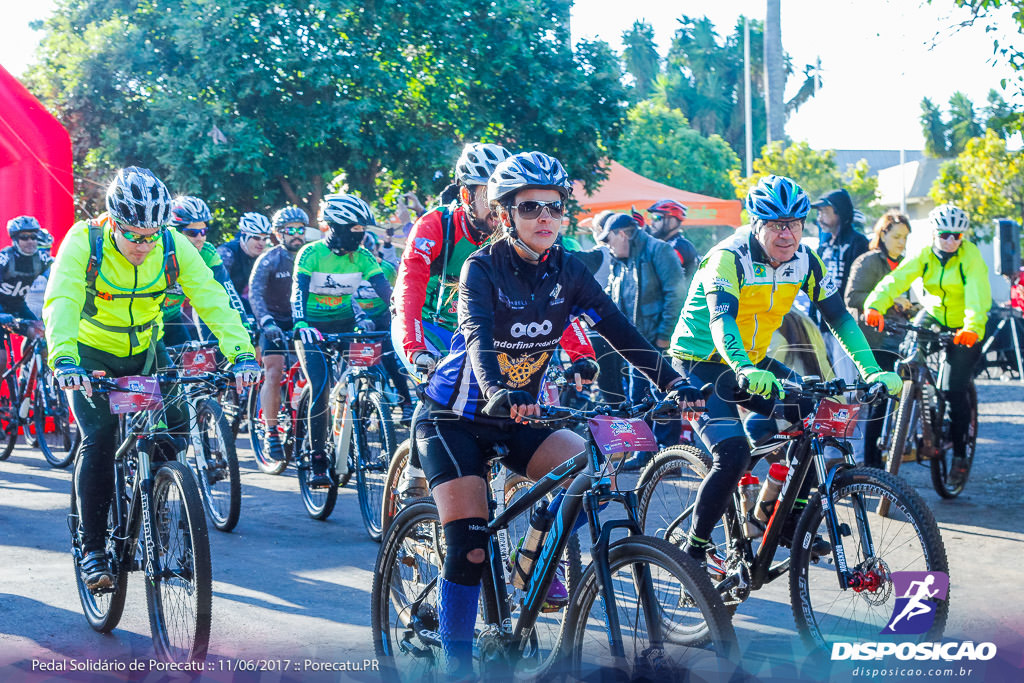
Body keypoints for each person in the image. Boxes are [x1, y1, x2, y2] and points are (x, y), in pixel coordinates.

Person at [419, 151, 705, 677]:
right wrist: (497, 389)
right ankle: (454, 665)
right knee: (470, 547)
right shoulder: (480, 266)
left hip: (521, 415)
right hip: (454, 417)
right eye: (529, 208)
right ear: (505, 214)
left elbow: (621, 331)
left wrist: (675, 382)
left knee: (588, 470)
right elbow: (480, 336)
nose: (544, 217)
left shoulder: (569, 269)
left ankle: (531, 566)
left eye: (554, 207)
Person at [668, 174, 902, 572]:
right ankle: (692, 553)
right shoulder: (729, 258)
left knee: (818, 416)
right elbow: (722, 321)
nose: (787, 234)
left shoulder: (806, 260)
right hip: (701, 360)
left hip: (752, 359)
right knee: (733, 453)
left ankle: (787, 517)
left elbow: (839, 318)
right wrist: (742, 367)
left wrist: (871, 370)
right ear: (756, 223)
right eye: (776, 224)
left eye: (795, 223)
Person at [43, 166, 260, 590]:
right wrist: (65, 360)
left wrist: (241, 353)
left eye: (151, 235)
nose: (144, 245)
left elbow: (212, 297)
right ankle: (93, 550)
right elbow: (62, 299)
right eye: (134, 235)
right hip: (88, 354)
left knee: (174, 428)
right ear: (112, 222)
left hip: (146, 350)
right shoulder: (83, 242)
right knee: (100, 439)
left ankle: (159, 494)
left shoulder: (172, 245)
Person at [391, 142, 597, 497]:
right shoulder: (437, 224)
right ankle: (416, 478)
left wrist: (580, 352)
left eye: (507, 194)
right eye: (488, 194)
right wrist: (414, 348)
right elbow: (409, 285)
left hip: (491, 330)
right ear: (466, 195)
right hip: (431, 324)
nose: (497, 204)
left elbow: (552, 300)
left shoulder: (522, 236)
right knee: (439, 384)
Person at [864, 203, 991, 486]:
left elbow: (977, 296)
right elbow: (895, 280)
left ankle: (959, 452)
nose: (950, 241)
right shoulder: (924, 254)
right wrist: (874, 305)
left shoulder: (971, 257)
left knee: (952, 388)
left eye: (957, 236)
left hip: (964, 325)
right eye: (945, 234)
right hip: (933, 315)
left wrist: (971, 328)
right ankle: (915, 398)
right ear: (934, 233)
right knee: (909, 359)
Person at [291, 194, 393, 488]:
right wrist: (300, 323)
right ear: (335, 227)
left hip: (346, 322)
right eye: (354, 229)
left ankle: (357, 422)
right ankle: (318, 457)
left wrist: (401, 316)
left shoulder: (363, 257)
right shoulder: (310, 254)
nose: (360, 235)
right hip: (312, 327)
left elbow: (385, 291)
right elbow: (298, 293)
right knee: (321, 386)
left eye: (363, 230)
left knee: (369, 373)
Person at [593, 211, 685, 459]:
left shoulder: (659, 250)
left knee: (664, 397)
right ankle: (644, 453)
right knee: (638, 398)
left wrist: (664, 336)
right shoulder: (624, 258)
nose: (607, 246)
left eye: (608, 239)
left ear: (622, 233)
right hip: (636, 343)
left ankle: (669, 454)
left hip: (657, 341)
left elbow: (676, 295)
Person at [844, 210, 914, 468]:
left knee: (891, 405)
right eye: (896, 236)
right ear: (882, 234)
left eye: (905, 237)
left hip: (898, 342)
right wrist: (889, 300)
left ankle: (883, 461)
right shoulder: (868, 261)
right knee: (877, 404)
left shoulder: (906, 264)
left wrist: (909, 306)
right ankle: (871, 466)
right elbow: (851, 298)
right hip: (872, 342)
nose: (901, 243)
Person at [249, 205, 308, 461]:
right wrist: (267, 322)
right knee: (273, 370)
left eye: (301, 230)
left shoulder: (310, 256)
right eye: (290, 230)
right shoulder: (270, 259)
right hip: (274, 321)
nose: (297, 235)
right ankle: (270, 431)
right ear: (279, 234)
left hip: (300, 321)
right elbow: (256, 293)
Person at [163, 195, 247, 346]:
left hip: (172, 319)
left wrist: (244, 323)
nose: (200, 238)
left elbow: (227, 291)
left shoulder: (207, 253)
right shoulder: (159, 252)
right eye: (192, 233)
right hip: (146, 322)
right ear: (174, 232)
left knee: (189, 365)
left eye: (203, 231)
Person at [0, 216, 52, 368]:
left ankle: (29, 373)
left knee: (43, 337)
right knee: (1, 361)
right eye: (24, 237)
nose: (30, 241)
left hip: (18, 308)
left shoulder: (41, 259)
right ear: (15, 240)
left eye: (34, 237)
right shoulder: (4, 258)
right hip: (0, 310)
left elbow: (58, 278)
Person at [218, 212, 272, 319]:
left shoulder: (261, 256)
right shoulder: (227, 253)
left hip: (242, 304)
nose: (261, 243)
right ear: (243, 235)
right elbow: (221, 291)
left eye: (265, 238)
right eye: (256, 238)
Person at [647, 198, 700, 285]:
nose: (652, 223)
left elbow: (658, 271)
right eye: (651, 218)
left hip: (682, 297)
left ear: (673, 221)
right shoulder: (662, 244)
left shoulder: (680, 246)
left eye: (657, 218)